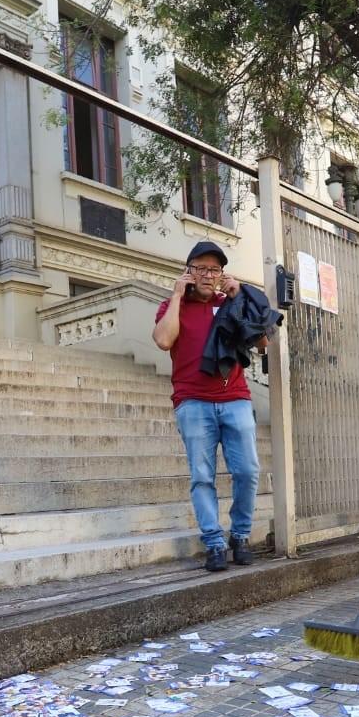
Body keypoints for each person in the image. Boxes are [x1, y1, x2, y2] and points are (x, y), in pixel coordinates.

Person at [152, 240, 264, 572]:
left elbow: (262, 342)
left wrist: (240, 297)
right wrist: (176, 296)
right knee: (202, 476)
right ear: (188, 272)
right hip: (193, 402)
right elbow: (162, 340)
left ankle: (240, 536)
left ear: (221, 274)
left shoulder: (231, 303)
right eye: (200, 268)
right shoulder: (171, 306)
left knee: (248, 472)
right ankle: (214, 543)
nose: (207, 274)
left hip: (236, 400)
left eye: (214, 269)